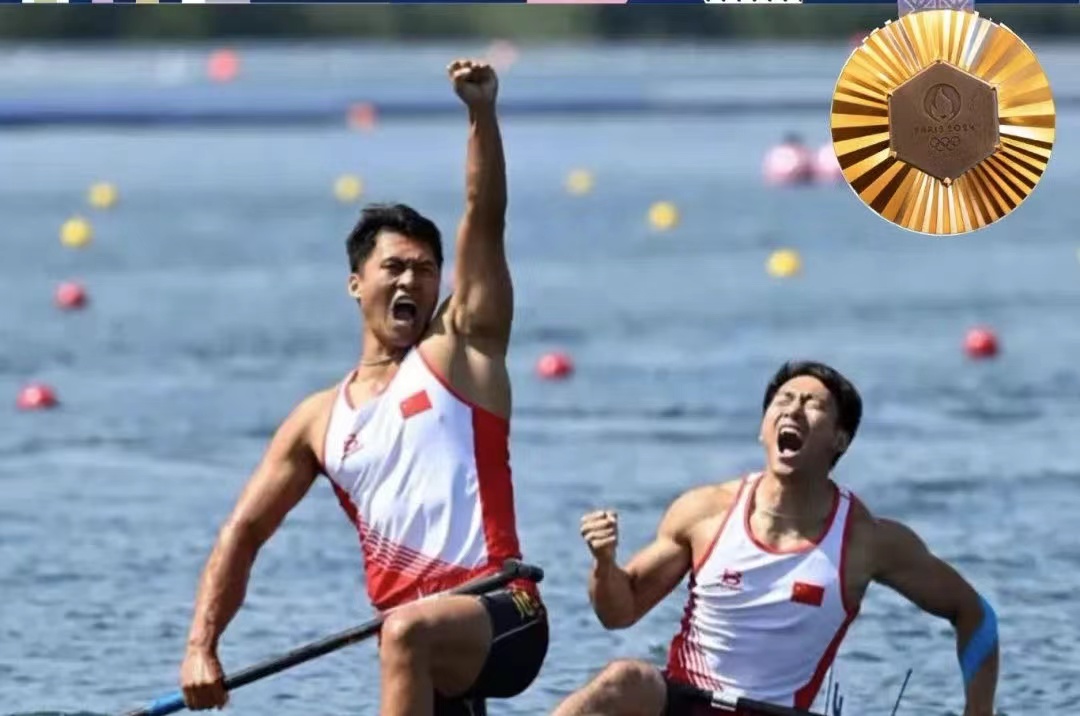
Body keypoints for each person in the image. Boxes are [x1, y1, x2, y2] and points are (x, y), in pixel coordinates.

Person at [178, 58, 548, 716]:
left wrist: (481, 114)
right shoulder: (318, 420)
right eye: (394, 268)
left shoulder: (460, 351)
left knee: (402, 634)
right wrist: (201, 647)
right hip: (421, 640)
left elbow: (484, 215)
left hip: (503, 609)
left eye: (426, 270)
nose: (411, 281)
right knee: (405, 634)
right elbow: (244, 531)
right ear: (356, 284)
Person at [552, 361, 999, 716]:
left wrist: (977, 711)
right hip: (687, 702)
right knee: (625, 679)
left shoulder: (866, 541)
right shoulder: (705, 512)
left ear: (840, 440)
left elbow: (974, 614)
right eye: (783, 400)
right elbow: (618, 612)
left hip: (774, 712)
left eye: (812, 404)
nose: (793, 410)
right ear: (764, 427)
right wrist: (604, 564)